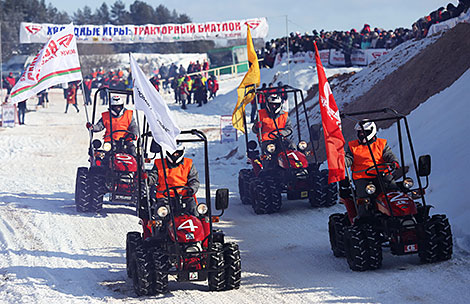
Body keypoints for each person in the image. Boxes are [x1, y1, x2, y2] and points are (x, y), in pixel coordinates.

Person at [340, 120, 399, 223]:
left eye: (364, 132)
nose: (362, 134)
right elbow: (349, 159)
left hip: (382, 175)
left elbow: (388, 155)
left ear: (372, 131)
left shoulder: (381, 144)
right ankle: (363, 220)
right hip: (362, 178)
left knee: (394, 190)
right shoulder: (353, 146)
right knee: (364, 199)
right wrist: (343, 160)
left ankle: (398, 213)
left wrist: (394, 162)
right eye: (360, 132)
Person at [147, 145, 200, 216]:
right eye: (173, 152)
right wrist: (147, 179)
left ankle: (197, 225)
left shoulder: (188, 164)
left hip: (184, 196)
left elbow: (194, 180)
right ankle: (159, 226)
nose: (175, 155)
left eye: (177, 153)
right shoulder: (159, 163)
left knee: (195, 210)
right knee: (161, 214)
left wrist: (191, 189)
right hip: (165, 197)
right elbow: (153, 177)